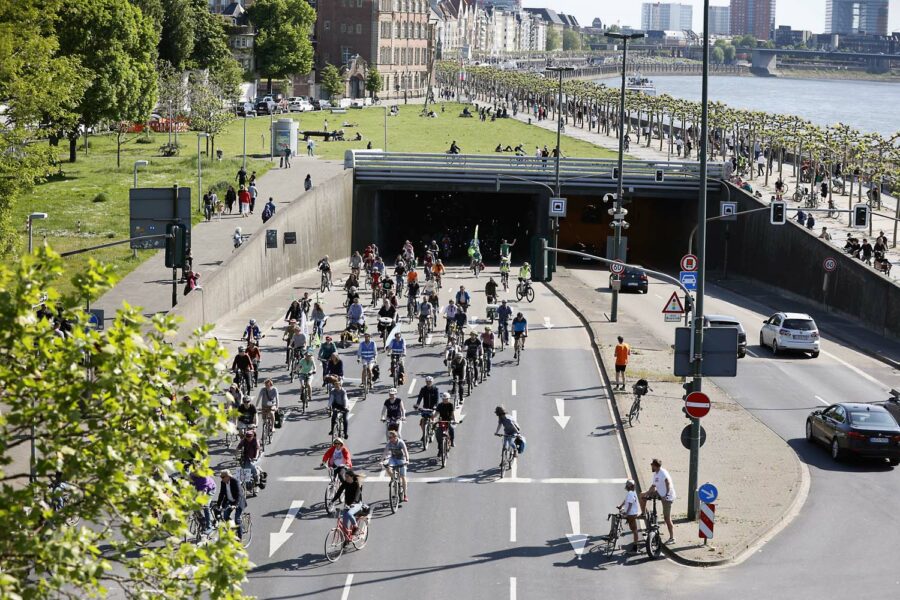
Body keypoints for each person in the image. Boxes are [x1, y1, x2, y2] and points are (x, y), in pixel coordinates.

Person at [639, 458, 677, 544]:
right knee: (641, 495)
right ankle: (643, 513)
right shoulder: (656, 474)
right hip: (659, 492)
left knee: (667, 518)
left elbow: (668, 484)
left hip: (667, 497)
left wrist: (666, 495)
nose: (651, 467)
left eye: (652, 465)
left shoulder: (662, 473)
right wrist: (647, 494)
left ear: (655, 466)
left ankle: (672, 538)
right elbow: (653, 486)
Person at [331, 469, 366, 536]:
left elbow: (357, 495)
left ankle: (355, 527)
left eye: (347, 477)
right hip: (347, 505)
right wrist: (332, 501)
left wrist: (354, 502)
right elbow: (339, 493)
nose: (345, 478)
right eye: (345, 476)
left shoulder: (356, 483)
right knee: (344, 525)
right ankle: (346, 540)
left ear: (351, 477)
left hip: (357, 504)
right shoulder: (345, 483)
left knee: (349, 514)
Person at [216, 470, 247, 539]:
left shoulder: (235, 481)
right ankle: (233, 528)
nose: (221, 478)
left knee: (237, 519)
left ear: (228, 477)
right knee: (225, 516)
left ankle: (240, 539)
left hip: (238, 502)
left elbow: (239, 494)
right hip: (230, 501)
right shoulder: (223, 482)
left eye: (223, 477)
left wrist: (236, 505)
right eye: (221, 477)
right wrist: (218, 504)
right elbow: (221, 494)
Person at [382, 430, 410, 503]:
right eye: (389, 437)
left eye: (390, 437)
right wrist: (381, 461)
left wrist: (407, 460)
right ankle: (394, 479)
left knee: (403, 477)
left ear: (395, 437)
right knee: (387, 467)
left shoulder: (400, 442)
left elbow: (406, 451)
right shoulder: (389, 443)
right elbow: (385, 452)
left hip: (401, 459)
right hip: (393, 459)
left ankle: (405, 495)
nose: (389, 438)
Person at [413, 376, 440, 441]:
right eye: (427, 382)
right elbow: (420, 397)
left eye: (429, 382)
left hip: (433, 407)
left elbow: (437, 399)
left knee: (432, 419)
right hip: (425, 407)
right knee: (422, 422)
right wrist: (417, 404)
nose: (428, 383)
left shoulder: (435, 389)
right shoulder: (423, 389)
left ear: (432, 382)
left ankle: (433, 429)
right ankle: (424, 434)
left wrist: (435, 406)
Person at [617, 479, 640, 552]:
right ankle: (635, 545)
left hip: (631, 514)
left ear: (629, 486)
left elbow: (630, 504)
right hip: (632, 513)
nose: (626, 487)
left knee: (634, 530)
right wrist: (621, 506)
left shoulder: (630, 493)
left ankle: (635, 547)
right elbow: (626, 500)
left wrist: (626, 514)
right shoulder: (632, 492)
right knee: (634, 530)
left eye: (627, 486)